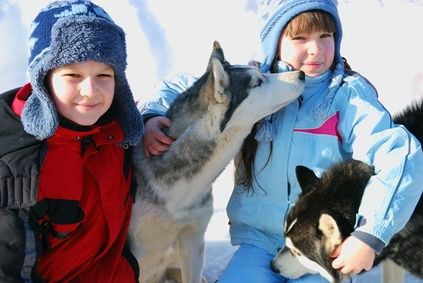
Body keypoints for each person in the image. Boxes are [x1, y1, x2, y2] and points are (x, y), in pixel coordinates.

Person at [140, 0, 423, 282]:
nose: (316, 49)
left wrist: (370, 233)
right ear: (275, 42)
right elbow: (179, 86)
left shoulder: (348, 97)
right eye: (300, 38)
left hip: (318, 251)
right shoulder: (259, 85)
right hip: (259, 243)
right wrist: (152, 115)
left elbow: (400, 155)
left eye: (326, 36)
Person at [0, 1, 144, 282]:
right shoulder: (14, 161)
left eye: (104, 75)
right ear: (43, 79)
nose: (90, 91)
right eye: (72, 75)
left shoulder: (117, 135)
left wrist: (150, 121)